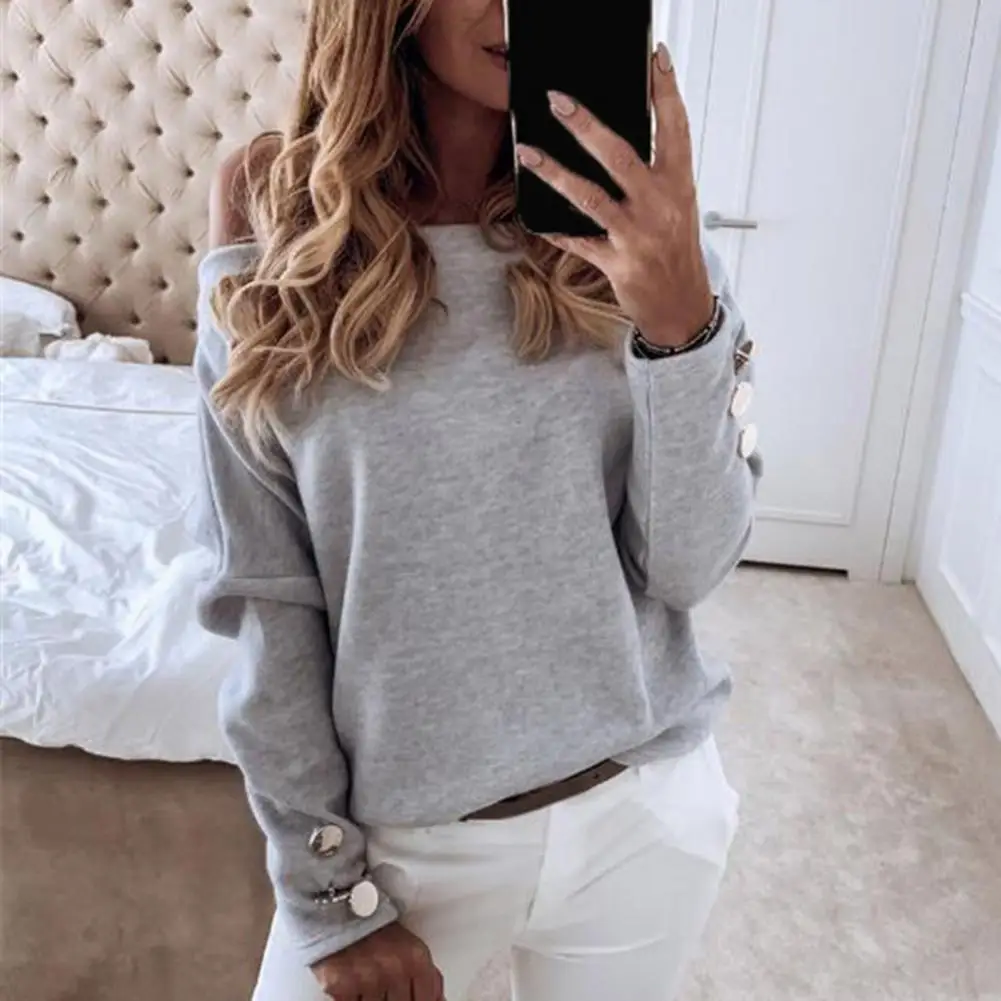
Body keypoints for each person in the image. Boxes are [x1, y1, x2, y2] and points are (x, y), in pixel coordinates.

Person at [194, 1, 761, 999]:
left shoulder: (636, 221)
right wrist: (329, 895)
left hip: (644, 813)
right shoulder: (270, 207)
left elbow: (688, 567)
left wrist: (682, 328)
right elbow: (266, 590)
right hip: (405, 847)